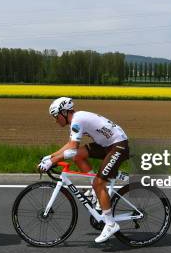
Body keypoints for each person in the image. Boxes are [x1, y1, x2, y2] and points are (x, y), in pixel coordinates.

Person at [38, 97, 130, 243]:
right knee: (78, 157)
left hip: (118, 146)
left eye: (56, 117)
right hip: (107, 144)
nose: (56, 120)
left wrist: (52, 161)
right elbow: (70, 145)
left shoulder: (77, 120)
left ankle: (110, 224)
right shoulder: (77, 118)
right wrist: (51, 156)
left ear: (63, 112)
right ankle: (96, 191)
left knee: (99, 184)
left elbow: (72, 148)